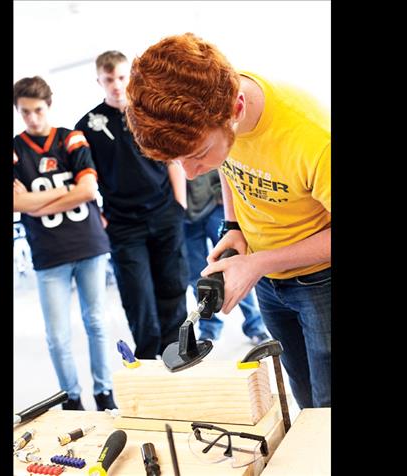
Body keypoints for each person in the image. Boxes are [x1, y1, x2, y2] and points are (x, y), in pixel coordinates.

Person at [125, 33, 331, 409]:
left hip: (322, 282)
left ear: (236, 111)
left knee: (328, 409)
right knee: (305, 397)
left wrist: (258, 262)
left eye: (198, 154)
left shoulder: (314, 136)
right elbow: (228, 162)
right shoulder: (220, 119)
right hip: (268, 279)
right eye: (178, 161)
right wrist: (233, 226)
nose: (189, 175)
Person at [75, 51, 189, 359]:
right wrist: (99, 218)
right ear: (99, 80)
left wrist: (179, 206)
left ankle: (178, 354)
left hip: (165, 214)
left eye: (122, 78)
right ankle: (150, 360)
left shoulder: (152, 113)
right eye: (109, 79)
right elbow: (84, 180)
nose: (116, 85)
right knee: (138, 296)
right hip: (124, 225)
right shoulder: (86, 126)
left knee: (173, 286)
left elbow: (173, 161)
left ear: (132, 77)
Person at [13, 76, 116, 411]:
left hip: (88, 244)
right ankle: (71, 397)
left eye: (37, 110)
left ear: (49, 106)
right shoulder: (15, 149)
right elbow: (15, 204)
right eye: (25, 112)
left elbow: (88, 191)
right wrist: (66, 193)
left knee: (97, 322)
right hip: (48, 254)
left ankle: (103, 391)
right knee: (57, 336)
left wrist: (36, 199)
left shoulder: (70, 137)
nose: (32, 118)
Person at [185, 170, 270, 344]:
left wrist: (223, 197)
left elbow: (222, 161)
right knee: (198, 276)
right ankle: (208, 328)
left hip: (214, 206)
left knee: (234, 267)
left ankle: (255, 325)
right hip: (185, 217)